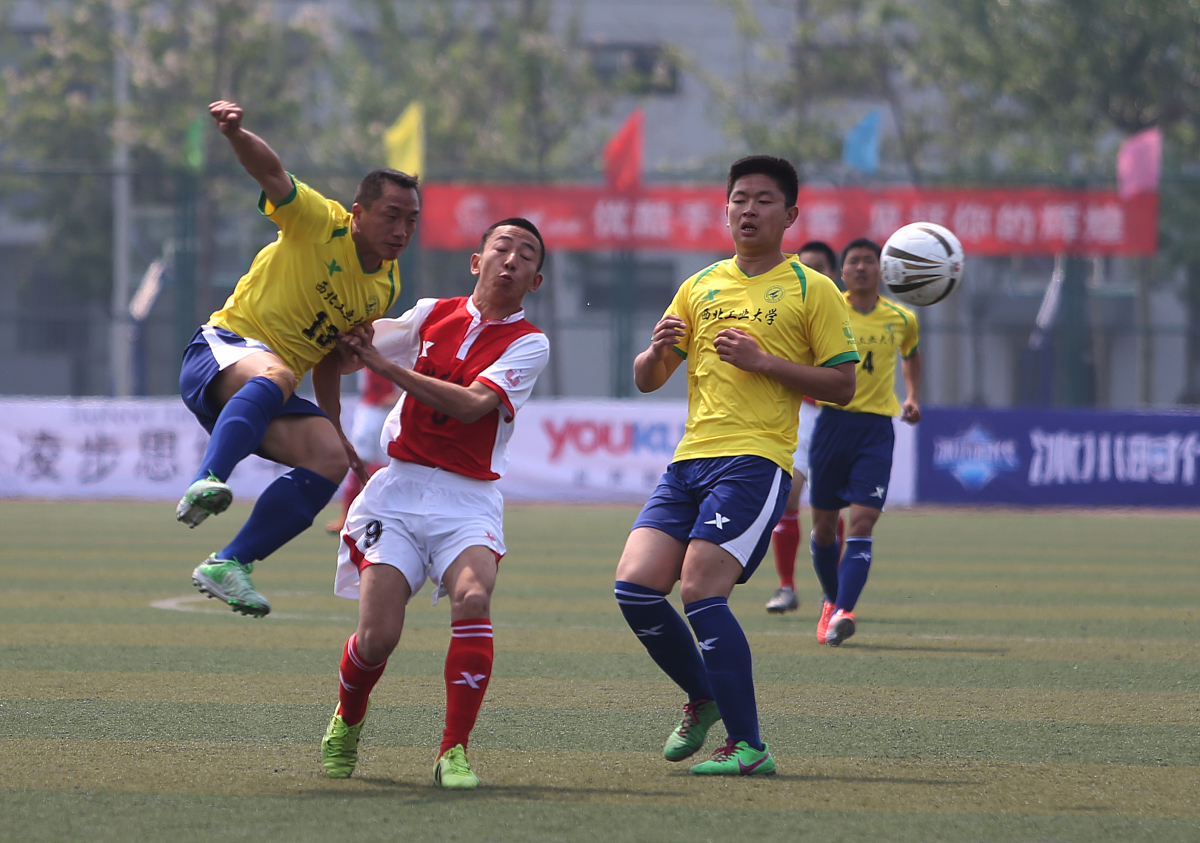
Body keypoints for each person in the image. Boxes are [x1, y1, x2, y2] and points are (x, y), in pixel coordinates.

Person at [613, 156, 858, 776]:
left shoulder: (813, 288)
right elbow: (647, 379)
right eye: (739, 198)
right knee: (635, 588)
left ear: (790, 215)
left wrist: (764, 362)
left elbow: (843, 384)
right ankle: (704, 697)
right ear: (725, 210)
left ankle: (750, 747)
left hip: (755, 460)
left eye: (764, 200)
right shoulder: (699, 286)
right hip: (689, 460)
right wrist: (654, 351)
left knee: (700, 590)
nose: (749, 209)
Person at [320, 218, 549, 791]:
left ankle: (454, 751)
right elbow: (349, 354)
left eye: (526, 255)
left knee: (473, 596)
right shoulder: (430, 314)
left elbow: (472, 405)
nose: (511, 260)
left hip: (467, 498)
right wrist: (333, 329)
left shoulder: (530, 342)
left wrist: (385, 367)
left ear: (535, 280)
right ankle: (348, 718)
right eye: (502, 247)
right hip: (398, 491)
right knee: (377, 638)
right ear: (476, 261)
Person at [176, 100, 420, 618]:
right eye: (391, 215)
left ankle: (230, 563)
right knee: (280, 371)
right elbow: (270, 172)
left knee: (330, 457)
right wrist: (236, 133)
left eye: (411, 220)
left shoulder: (385, 286)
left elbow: (329, 357)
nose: (402, 230)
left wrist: (338, 428)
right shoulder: (319, 221)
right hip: (222, 351)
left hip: (268, 388)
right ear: (358, 213)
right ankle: (208, 478)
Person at [808, 237, 921, 646]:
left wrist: (912, 396)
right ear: (841, 272)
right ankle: (831, 600)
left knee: (862, 521)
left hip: (876, 430)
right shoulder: (827, 309)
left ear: (881, 270)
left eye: (868, 261)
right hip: (832, 425)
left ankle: (843, 611)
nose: (860, 267)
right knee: (824, 529)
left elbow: (911, 354)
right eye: (853, 261)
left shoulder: (902, 318)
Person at [764, 240, 844, 614]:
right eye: (804, 268)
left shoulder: (843, 311)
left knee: (828, 511)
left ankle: (833, 590)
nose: (809, 275)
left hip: (839, 420)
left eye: (818, 268)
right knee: (788, 499)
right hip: (800, 416)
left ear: (833, 274)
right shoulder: (786, 309)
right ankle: (786, 587)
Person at [325, 368, 399, 534]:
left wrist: (399, 395)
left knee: (390, 465)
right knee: (359, 461)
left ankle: (383, 516)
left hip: (392, 411)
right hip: (369, 408)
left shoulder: (405, 353)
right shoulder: (366, 355)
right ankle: (347, 517)